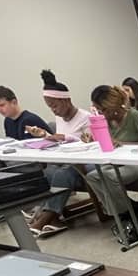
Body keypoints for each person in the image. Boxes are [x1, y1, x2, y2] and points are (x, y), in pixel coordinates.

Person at [23, 69, 92, 236]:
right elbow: (60, 141)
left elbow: (91, 143)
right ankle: (53, 218)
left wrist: (67, 137)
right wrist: (45, 136)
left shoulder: (86, 117)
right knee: (46, 172)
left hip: (84, 162)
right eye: (49, 106)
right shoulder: (60, 118)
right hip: (66, 161)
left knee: (62, 174)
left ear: (67, 100)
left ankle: (45, 218)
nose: (53, 110)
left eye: (55, 105)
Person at [82, 85, 138, 242]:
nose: (101, 114)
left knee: (109, 176)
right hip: (117, 163)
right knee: (92, 176)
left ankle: (126, 214)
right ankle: (131, 209)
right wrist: (93, 138)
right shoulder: (107, 122)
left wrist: (123, 143)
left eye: (103, 110)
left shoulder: (134, 116)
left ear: (112, 106)